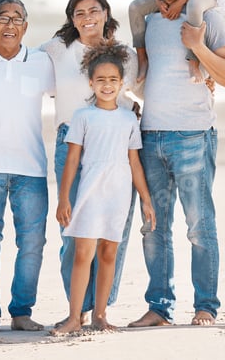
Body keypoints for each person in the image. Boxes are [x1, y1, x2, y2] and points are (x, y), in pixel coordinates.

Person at [128, 0, 225, 328]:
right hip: (150, 137)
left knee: (199, 226)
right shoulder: (148, 21)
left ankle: (205, 305)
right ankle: (159, 307)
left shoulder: (209, 18)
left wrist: (197, 47)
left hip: (193, 135)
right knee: (154, 227)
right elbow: (138, 72)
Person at [40, 0, 142, 326]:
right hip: (71, 142)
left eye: (93, 10)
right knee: (73, 232)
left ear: (105, 13)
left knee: (111, 233)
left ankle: (101, 309)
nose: (87, 18)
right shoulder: (58, 48)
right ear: (71, 18)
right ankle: (77, 309)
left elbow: (140, 89)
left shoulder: (125, 54)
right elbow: (20, 65)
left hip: (113, 146)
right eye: (79, 12)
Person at [51, 40, 156, 336]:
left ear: (122, 83)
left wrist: (146, 200)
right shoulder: (83, 116)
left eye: (113, 80)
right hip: (89, 193)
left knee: (109, 253)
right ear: (91, 82)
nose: (107, 85)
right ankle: (74, 317)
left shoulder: (128, 119)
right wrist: (63, 199)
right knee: (83, 253)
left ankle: (100, 315)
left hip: (118, 194)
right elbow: (72, 159)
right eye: (101, 80)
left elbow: (134, 162)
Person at [0, 0, 55, 334]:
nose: (11, 24)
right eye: (3, 18)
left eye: (18, 18)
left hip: (30, 169)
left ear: (26, 27)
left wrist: (125, 104)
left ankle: (21, 311)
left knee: (32, 242)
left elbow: (79, 89)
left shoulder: (42, 62)